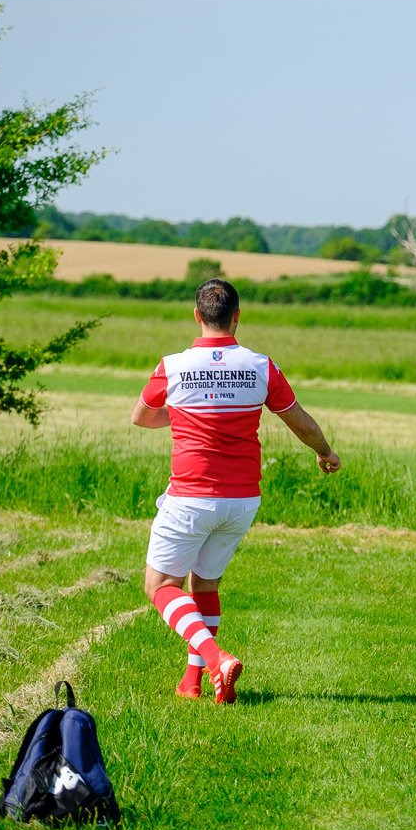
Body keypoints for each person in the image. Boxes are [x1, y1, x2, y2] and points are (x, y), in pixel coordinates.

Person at [132, 278, 341, 703]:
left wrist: (190, 411)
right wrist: (324, 451)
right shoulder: (261, 366)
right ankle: (192, 683)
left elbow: (142, 417)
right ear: (237, 316)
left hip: (191, 496)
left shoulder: (173, 366)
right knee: (204, 585)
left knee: (160, 586)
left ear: (197, 316)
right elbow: (298, 419)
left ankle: (215, 660)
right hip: (242, 500)